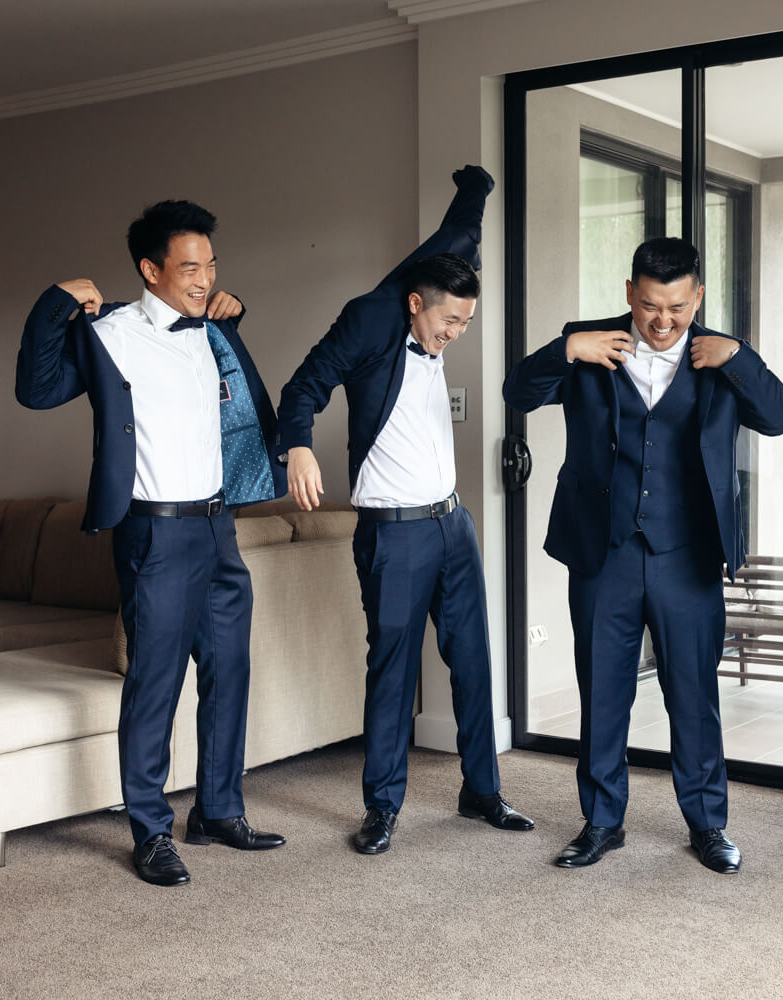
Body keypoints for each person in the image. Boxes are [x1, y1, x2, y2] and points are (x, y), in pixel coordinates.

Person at [16, 200, 288, 886]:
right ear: (150, 268)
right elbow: (36, 389)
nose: (205, 277)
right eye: (190, 267)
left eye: (211, 264)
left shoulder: (211, 330)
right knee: (155, 681)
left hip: (218, 526)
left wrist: (231, 317)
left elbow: (240, 403)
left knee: (230, 670)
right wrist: (54, 304)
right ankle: (151, 832)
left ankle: (219, 811)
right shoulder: (109, 332)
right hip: (155, 531)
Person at [503, 237, 783, 873]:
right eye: (650, 306)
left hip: (687, 556)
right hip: (602, 552)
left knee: (693, 695)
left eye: (678, 308)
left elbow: (781, 418)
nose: (663, 322)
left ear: (698, 297)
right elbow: (517, 392)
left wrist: (740, 358)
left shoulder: (723, 354)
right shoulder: (589, 345)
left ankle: (708, 824)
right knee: (602, 693)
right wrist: (565, 348)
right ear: (630, 293)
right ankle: (602, 822)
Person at [277, 165, 533, 855]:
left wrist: (476, 189)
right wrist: (298, 448)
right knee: (393, 668)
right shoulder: (369, 319)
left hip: (453, 525)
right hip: (394, 535)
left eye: (467, 322)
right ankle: (382, 806)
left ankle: (482, 791)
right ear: (414, 303)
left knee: (473, 660)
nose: (458, 332)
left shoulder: (440, 283)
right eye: (450, 321)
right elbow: (303, 386)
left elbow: (459, 235)